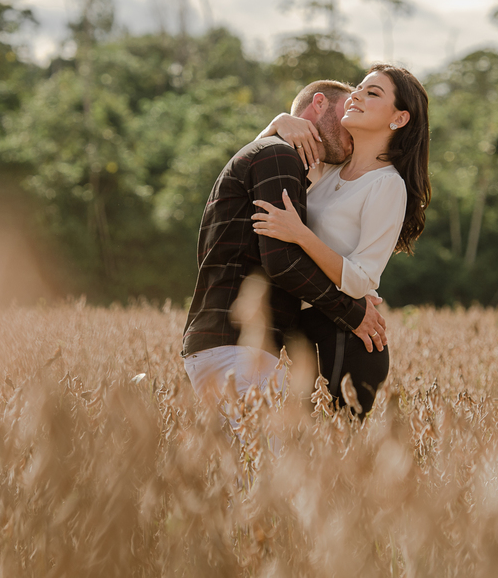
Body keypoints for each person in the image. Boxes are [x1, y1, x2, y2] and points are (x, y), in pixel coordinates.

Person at [180, 80, 388, 412]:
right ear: (319, 103)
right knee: (267, 462)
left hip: (227, 347)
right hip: (235, 349)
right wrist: (353, 313)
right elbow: (282, 262)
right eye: (347, 114)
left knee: (246, 463)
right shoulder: (278, 155)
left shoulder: (271, 154)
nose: (354, 132)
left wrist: (351, 286)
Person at [251, 64, 430, 415]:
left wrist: (299, 234)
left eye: (372, 93)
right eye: (359, 88)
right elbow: (255, 170)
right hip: (300, 332)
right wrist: (276, 123)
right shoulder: (326, 168)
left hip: (345, 336)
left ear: (399, 119)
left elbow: (363, 277)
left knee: (329, 464)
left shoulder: (387, 184)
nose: (357, 96)